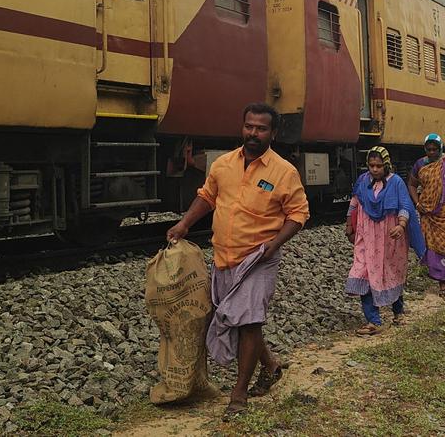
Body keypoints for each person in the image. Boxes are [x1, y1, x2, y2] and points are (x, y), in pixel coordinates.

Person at [166, 103, 309, 420]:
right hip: (224, 255)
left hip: (259, 257)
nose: (253, 133)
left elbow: (298, 214)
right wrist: (184, 224)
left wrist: (274, 245)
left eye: (260, 129)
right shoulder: (223, 164)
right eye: (248, 126)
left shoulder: (284, 172)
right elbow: (207, 196)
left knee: (249, 320)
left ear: (273, 133)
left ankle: (238, 394)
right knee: (232, 315)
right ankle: (270, 365)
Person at [344, 146, 425, 335]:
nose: (374, 169)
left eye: (378, 166)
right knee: (363, 272)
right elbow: (354, 203)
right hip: (366, 236)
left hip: (390, 237)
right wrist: (349, 226)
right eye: (371, 165)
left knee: (390, 273)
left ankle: (398, 312)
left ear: (386, 165)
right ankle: (374, 321)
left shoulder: (396, 182)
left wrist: (401, 225)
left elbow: (405, 205)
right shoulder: (363, 181)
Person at [408, 134, 445, 295]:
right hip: (428, 212)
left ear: (441, 148)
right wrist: (417, 203)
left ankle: (444, 281)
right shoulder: (420, 164)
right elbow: (412, 184)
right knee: (432, 244)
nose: (432, 152)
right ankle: (436, 275)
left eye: (435, 149)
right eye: (429, 149)